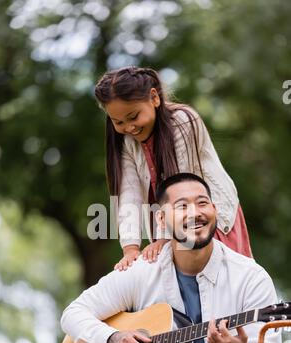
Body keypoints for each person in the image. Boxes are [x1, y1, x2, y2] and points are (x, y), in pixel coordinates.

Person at [61, 173, 281, 343]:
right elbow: (74, 313)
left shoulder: (250, 276)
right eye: (182, 206)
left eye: (202, 203)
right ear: (162, 220)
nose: (195, 213)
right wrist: (113, 340)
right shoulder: (142, 271)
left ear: (214, 210)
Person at [94, 66, 252, 272]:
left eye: (133, 117)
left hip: (209, 222)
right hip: (171, 231)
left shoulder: (183, 121)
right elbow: (129, 193)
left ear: (154, 98)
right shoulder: (126, 141)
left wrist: (165, 238)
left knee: (226, 284)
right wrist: (130, 248)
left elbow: (182, 189)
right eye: (118, 122)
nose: (129, 127)